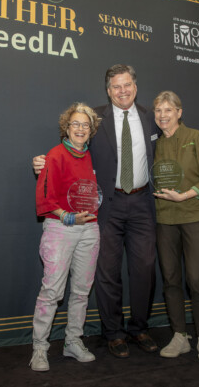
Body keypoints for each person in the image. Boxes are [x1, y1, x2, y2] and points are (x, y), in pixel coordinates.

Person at [33, 64, 161, 358]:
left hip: (142, 203)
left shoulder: (149, 118)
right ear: (108, 90)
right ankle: (113, 332)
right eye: (116, 87)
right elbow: (72, 147)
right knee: (106, 272)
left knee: (144, 269)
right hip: (107, 206)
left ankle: (140, 328)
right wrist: (43, 162)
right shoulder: (95, 119)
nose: (122, 91)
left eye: (127, 84)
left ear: (135, 86)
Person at [30, 103, 102, 371]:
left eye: (86, 125)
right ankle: (39, 348)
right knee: (52, 292)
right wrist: (67, 216)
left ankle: (73, 341)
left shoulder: (96, 157)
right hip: (60, 228)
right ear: (66, 127)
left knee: (82, 292)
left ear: (91, 130)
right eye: (76, 124)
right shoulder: (55, 155)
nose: (81, 129)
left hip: (90, 229)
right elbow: (45, 198)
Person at [151, 91, 199, 363]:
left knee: (196, 278)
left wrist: (185, 195)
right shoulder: (154, 144)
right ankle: (180, 336)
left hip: (194, 216)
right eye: (158, 111)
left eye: (168, 110)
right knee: (170, 279)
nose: (163, 115)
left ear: (179, 112)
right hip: (165, 218)